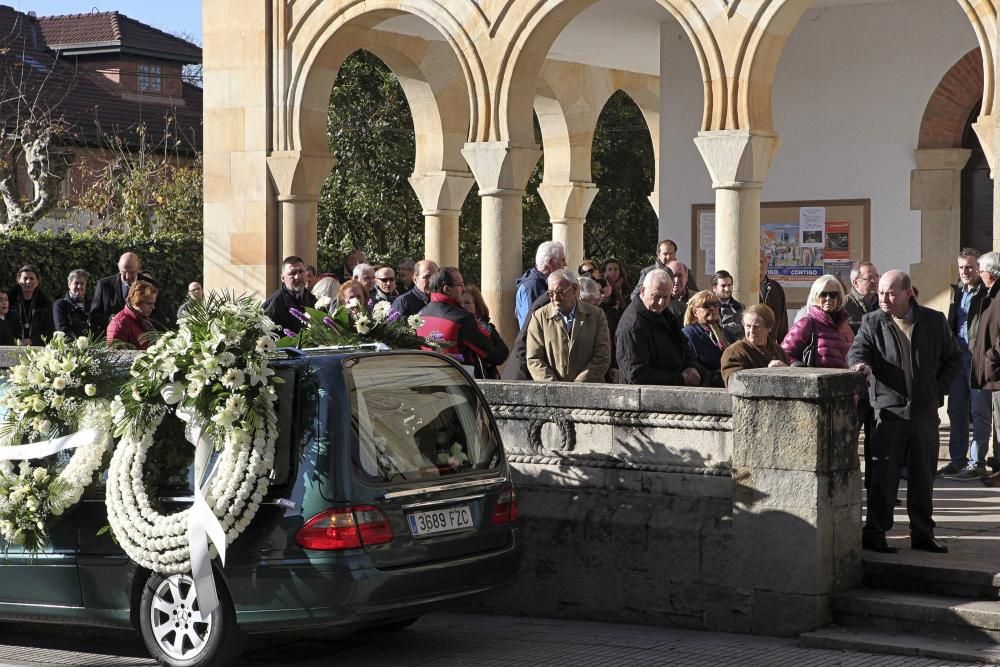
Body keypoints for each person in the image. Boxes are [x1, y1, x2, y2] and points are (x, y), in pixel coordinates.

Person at [848, 270, 962, 554]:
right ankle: (875, 533)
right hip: (888, 414)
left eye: (890, 293)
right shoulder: (872, 321)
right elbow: (857, 351)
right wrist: (861, 365)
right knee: (883, 478)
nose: (883, 298)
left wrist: (937, 390)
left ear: (908, 293)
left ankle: (923, 533)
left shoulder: (934, 321)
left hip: (923, 414)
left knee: (923, 477)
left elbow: (954, 359)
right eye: (881, 292)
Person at [939, 248, 992, 481]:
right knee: (956, 410)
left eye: (969, 267)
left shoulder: (987, 293)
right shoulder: (957, 291)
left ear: (979, 269)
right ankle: (957, 460)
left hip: (978, 359)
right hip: (957, 359)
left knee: (979, 411)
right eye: (961, 267)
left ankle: (977, 462)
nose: (964, 272)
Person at [617, 269, 702, 386]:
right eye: (656, 296)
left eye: (666, 297)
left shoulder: (663, 313)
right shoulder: (633, 326)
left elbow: (683, 345)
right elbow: (637, 375)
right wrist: (680, 378)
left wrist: (692, 367)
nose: (661, 302)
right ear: (642, 291)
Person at [526, 269, 611, 383]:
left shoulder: (596, 316)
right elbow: (534, 359)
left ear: (575, 289)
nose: (555, 298)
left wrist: (578, 384)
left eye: (560, 292)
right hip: (553, 393)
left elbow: (602, 356)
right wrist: (555, 387)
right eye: (550, 293)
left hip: (589, 391)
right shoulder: (539, 317)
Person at [416, 267, 505, 370]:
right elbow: (496, 356)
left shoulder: (420, 314)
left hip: (428, 378)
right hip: (457, 381)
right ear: (447, 289)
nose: (463, 289)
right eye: (460, 285)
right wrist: (490, 330)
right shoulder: (462, 319)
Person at [971, 251, 1000, 485]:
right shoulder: (991, 294)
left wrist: (991, 358)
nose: (979, 275)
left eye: (981, 271)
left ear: (990, 272)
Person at [781, 275, 854, 368]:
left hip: (845, 381)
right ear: (815, 297)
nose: (828, 298)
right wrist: (800, 369)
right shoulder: (807, 323)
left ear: (839, 298)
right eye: (823, 294)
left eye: (833, 295)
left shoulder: (845, 326)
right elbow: (784, 354)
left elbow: (855, 355)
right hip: (816, 381)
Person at [720, 304, 790, 387]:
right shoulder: (734, 352)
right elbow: (735, 384)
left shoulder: (779, 351)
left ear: (769, 327)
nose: (752, 331)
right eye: (748, 326)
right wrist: (768, 375)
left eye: (757, 327)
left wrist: (786, 371)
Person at [682, 290, 733, 388]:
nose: (712, 308)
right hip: (707, 387)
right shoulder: (687, 335)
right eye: (706, 306)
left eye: (715, 304)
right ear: (695, 312)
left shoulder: (727, 334)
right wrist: (717, 376)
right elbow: (691, 364)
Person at [459, 286, 509, 380]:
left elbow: (503, 352)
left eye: (467, 302)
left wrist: (489, 357)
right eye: (459, 303)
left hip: (486, 377)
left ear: (477, 306)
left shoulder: (488, 328)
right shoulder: (458, 327)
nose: (462, 306)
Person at [516, 241, 566, 328]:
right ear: (550, 263)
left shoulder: (541, 283)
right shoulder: (532, 286)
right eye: (562, 260)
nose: (565, 264)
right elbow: (529, 325)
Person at [263, 256, 317, 335]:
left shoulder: (313, 301)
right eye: (292, 273)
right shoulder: (274, 304)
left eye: (301, 271)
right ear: (282, 278)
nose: (298, 277)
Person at [90, 251, 141, 333]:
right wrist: (110, 319)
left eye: (132, 272)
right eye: (124, 272)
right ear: (118, 267)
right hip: (111, 338)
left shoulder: (148, 285)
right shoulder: (104, 285)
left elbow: (157, 315)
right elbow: (94, 316)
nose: (127, 277)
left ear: (139, 268)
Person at [8, 264, 54, 346]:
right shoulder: (9, 301)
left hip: (37, 349)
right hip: (11, 345)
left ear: (37, 282)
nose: (28, 282)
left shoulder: (45, 304)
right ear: (18, 280)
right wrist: (12, 339)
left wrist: (33, 340)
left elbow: (49, 330)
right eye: (25, 278)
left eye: (32, 279)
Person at [107, 280, 158, 350]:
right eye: (149, 303)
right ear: (136, 301)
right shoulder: (120, 323)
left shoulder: (143, 320)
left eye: (153, 303)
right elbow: (115, 356)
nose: (153, 307)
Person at [52, 269, 92, 339]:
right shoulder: (60, 305)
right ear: (69, 284)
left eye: (82, 283)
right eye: (76, 283)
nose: (79, 286)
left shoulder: (92, 304)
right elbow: (62, 330)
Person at [760, 253, 789, 343]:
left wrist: (783, 346)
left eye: (762, 262)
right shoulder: (745, 288)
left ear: (767, 265)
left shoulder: (775, 287)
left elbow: (783, 321)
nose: (759, 265)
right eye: (756, 262)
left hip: (771, 345)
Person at [845, 261, 879, 334]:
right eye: (869, 278)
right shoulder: (844, 305)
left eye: (876, 276)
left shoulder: (883, 302)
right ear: (855, 283)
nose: (875, 281)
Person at [712, 270, 744, 340]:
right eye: (723, 286)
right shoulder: (707, 307)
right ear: (714, 288)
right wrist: (735, 327)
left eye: (729, 285)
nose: (727, 289)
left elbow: (745, 329)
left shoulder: (741, 308)